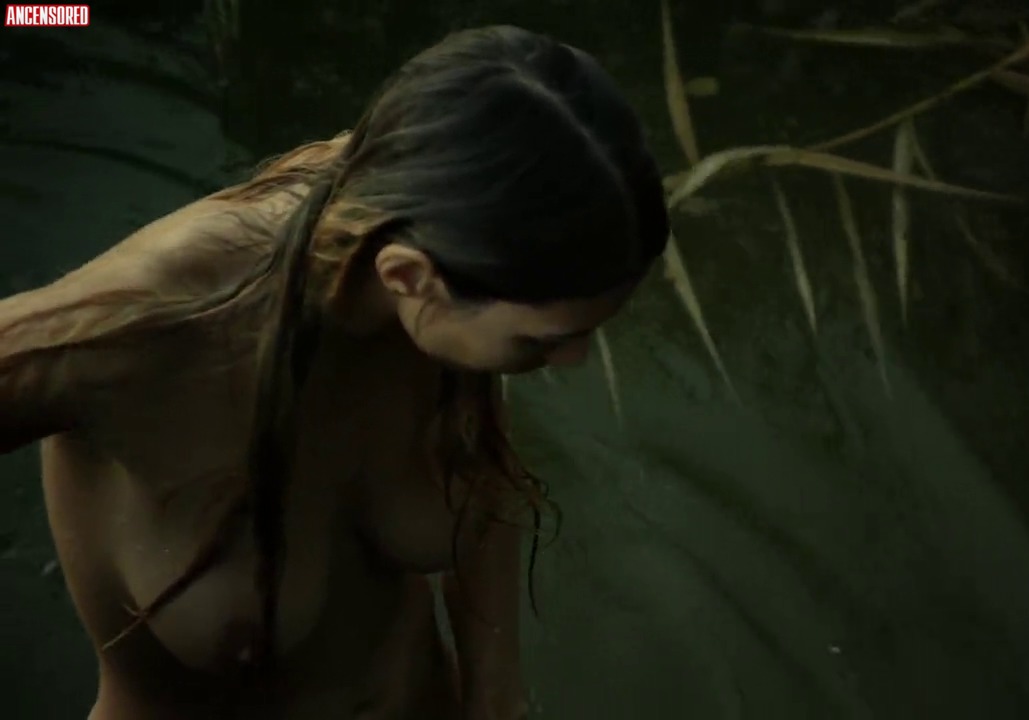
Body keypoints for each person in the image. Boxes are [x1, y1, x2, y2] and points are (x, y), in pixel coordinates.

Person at [0, 25, 669, 719]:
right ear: (410, 277)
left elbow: (478, 469)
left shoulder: (436, 214)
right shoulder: (146, 332)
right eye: (543, 341)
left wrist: (496, 692)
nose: (574, 360)